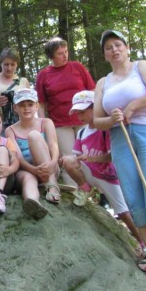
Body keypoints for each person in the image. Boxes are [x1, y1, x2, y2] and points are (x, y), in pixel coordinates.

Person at [92, 29, 146, 275]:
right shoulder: (103, 83)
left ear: (127, 48)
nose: (114, 50)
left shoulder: (141, 67)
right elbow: (97, 120)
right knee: (132, 193)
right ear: (105, 55)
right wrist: (112, 119)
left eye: (118, 45)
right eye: (109, 47)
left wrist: (133, 106)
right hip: (120, 137)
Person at [61, 91, 143, 247]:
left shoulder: (105, 130)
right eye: (77, 113)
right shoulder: (82, 132)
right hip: (89, 172)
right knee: (68, 160)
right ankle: (85, 189)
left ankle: (142, 242)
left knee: (123, 212)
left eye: (83, 111)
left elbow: (111, 157)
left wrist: (91, 158)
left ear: (95, 108)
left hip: (107, 175)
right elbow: (76, 156)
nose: (79, 116)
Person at [35, 36, 96, 188]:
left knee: (89, 156)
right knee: (68, 158)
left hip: (85, 120)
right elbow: (41, 103)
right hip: (60, 124)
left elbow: (93, 90)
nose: (65, 56)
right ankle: (73, 192)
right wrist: (42, 124)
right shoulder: (44, 75)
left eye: (66, 52)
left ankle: (96, 193)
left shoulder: (77, 67)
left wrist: (96, 114)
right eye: (60, 53)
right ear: (51, 56)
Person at [4, 88, 57, 217]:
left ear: (37, 106)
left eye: (30, 104)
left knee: (34, 135)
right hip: (27, 169)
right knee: (28, 178)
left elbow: (53, 145)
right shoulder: (10, 130)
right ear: (15, 108)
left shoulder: (46, 122)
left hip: (48, 168)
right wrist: (33, 170)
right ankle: (32, 202)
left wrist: (53, 163)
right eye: (22, 105)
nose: (26, 108)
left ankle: (52, 185)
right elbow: (18, 157)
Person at [0, 48, 30, 129]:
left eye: (12, 64)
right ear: (1, 63)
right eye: (6, 64)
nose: (9, 68)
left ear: (17, 64)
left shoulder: (23, 81)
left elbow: (30, 105)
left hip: (20, 125)